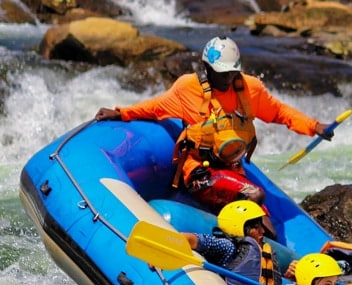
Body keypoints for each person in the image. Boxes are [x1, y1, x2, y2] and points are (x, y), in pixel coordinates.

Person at [94, 36, 334, 213]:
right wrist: (120, 113)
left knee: (265, 222)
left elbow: (279, 112)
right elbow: (155, 108)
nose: (229, 78)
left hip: (232, 169)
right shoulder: (187, 87)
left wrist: (314, 126)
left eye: (232, 72)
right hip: (200, 172)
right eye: (222, 73)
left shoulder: (249, 88)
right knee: (255, 194)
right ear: (207, 68)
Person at [183, 200, 286, 285]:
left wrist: (289, 277)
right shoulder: (228, 246)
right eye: (256, 227)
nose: (263, 231)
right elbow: (192, 240)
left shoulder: (264, 252)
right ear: (239, 227)